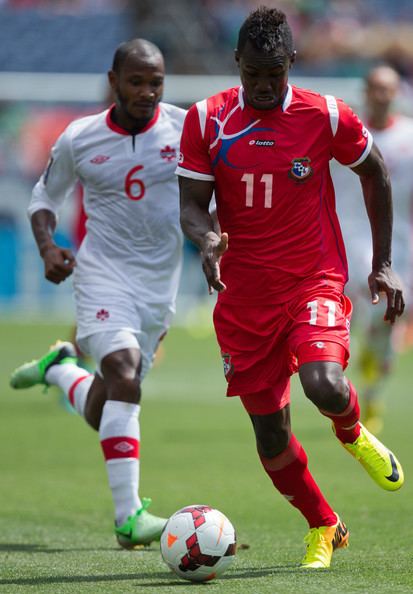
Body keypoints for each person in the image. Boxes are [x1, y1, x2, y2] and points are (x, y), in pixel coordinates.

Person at [177, 6, 405, 570]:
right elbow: (189, 205)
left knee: (324, 384)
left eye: (274, 74)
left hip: (313, 279)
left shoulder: (325, 115)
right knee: (271, 436)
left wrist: (383, 262)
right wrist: (206, 240)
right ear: (237, 63)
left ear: (292, 63)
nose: (262, 85)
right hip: (243, 299)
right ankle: (324, 526)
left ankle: (353, 431)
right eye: (252, 73)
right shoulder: (207, 120)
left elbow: (375, 172)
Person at [10, 39, 186, 548]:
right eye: (136, 81)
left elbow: (209, 189)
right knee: (126, 376)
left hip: (159, 287)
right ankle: (129, 518)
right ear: (114, 81)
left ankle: (60, 369)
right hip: (102, 274)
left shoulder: (184, 129)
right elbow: (45, 196)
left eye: (156, 82)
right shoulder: (80, 138)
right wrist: (47, 246)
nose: (147, 92)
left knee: (106, 402)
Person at [334, 65, 413, 434]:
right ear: (365, 92)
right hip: (353, 235)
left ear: (396, 93)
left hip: (400, 240)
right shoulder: (349, 134)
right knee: (366, 297)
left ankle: (375, 394)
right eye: (375, 89)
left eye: (388, 89)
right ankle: (344, 391)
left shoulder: (409, 137)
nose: (381, 96)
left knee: (391, 321)